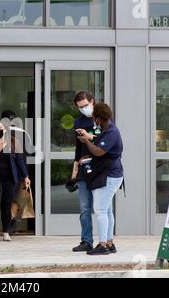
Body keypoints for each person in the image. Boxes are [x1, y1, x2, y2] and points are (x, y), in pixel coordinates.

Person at [76, 103, 124, 256]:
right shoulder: (107, 130)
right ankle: (109, 243)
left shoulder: (111, 132)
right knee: (107, 210)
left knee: (101, 210)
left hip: (108, 176)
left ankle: (102, 245)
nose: (94, 121)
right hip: (110, 174)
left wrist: (87, 142)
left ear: (98, 117)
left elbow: (99, 151)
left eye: (94, 118)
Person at [0, 121, 30, 241]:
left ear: (5, 129)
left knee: (6, 204)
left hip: (10, 177)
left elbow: (19, 160)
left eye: (1, 127)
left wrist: (25, 176)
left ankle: (6, 232)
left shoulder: (13, 141)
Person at [68, 91, 100, 253]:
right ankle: (86, 240)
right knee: (84, 207)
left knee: (103, 209)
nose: (83, 109)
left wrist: (90, 136)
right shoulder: (78, 122)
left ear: (92, 102)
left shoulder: (102, 118)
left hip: (100, 168)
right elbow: (78, 148)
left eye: (85, 106)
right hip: (83, 168)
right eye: (80, 107)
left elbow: (107, 141)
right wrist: (74, 172)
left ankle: (106, 242)